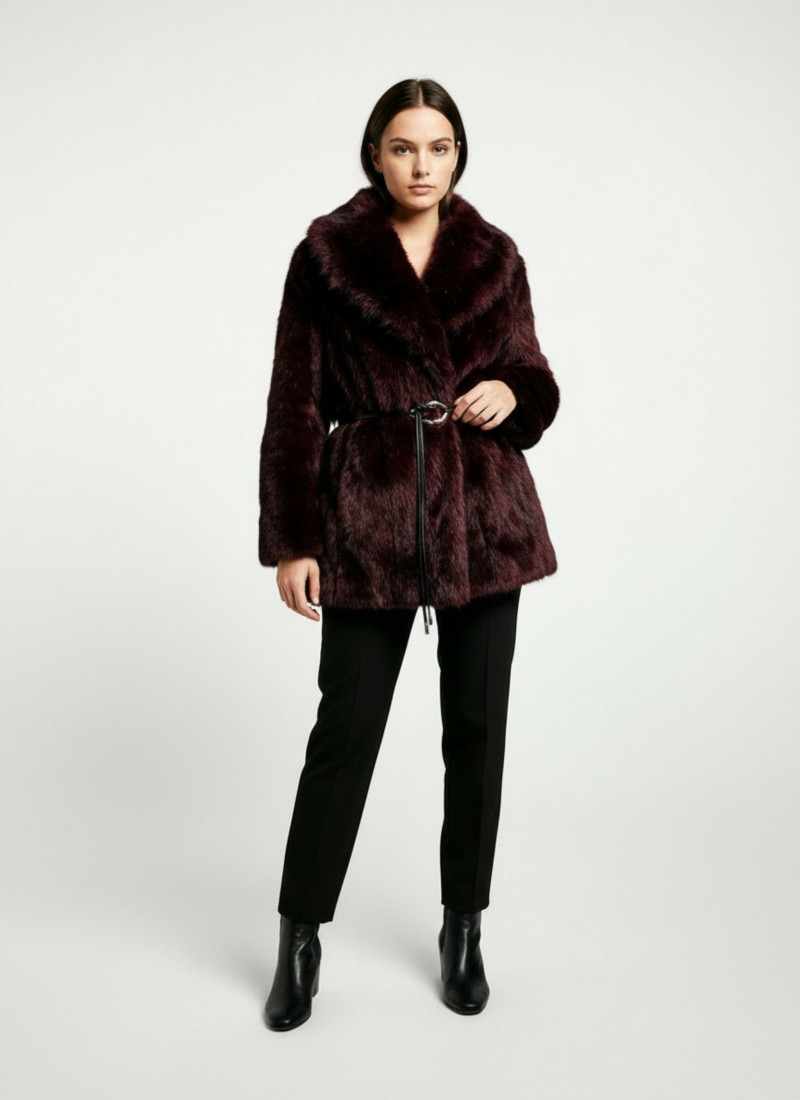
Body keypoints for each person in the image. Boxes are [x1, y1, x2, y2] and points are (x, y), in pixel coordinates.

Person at [258, 77, 560, 1030]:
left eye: (438, 147)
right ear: (374, 154)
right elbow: (293, 403)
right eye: (403, 147)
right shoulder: (326, 255)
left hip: (484, 518)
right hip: (370, 515)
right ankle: (299, 936)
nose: (422, 165)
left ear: (458, 153)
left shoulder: (495, 256)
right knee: (344, 733)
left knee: (478, 734)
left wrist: (514, 391)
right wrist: (294, 541)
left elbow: (535, 377)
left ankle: (463, 927)